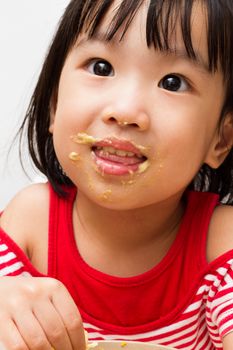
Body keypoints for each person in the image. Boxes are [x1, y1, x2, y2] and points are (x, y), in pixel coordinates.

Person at [0, 0, 233, 349]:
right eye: (101, 67)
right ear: (53, 104)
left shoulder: (219, 246)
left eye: (173, 82)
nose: (125, 111)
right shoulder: (30, 226)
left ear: (220, 140)